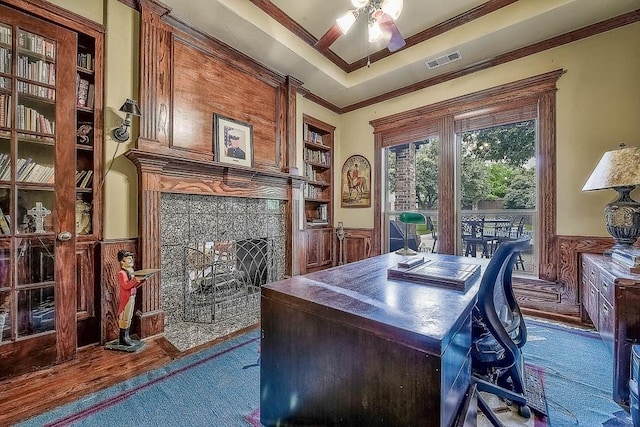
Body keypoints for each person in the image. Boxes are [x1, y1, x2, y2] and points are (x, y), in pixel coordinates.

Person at [116, 250, 145, 346]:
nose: (131, 261)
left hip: (132, 296)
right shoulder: (122, 273)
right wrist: (136, 279)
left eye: (131, 259)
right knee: (124, 317)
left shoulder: (131, 271)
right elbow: (126, 286)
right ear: (122, 262)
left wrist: (141, 280)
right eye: (128, 259)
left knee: (129, 317)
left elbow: (134, 286)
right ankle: (122, 337)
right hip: (126, 298)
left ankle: (127, 336)